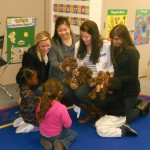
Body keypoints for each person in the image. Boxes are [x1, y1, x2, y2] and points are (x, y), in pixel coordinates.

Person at [73, 20, 114, 123]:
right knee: (75, 94)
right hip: (87, 79)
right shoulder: (79, 45)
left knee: (88, 94)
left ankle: (100, 112)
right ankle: (96, 112)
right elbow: (77, 63)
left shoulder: (106, 45)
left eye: (87, 37)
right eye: (82, 36)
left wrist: (108, 77)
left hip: (101, 78)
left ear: (94, 35)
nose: (84, 39)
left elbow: (112, 65)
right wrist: (76, 71)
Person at [110, 24, 150, 123]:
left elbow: (133, 77)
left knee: (124, 120)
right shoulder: (114, 48)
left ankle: (142, 107)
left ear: (124, 38)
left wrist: (116, 79)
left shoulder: (132, 53)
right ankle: (136, 101)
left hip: (130, 90)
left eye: (117, 39)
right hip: (118, 88)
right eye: (113, 39)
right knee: (111, 114)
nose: (114, 42)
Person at [36, 78, 78, 150]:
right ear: (59, 92)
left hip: (43, 134)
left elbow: (38, 117)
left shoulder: (40, 104)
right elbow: (68, 125)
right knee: (74, 134)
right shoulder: (61, 108)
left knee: (47, 134)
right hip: (55, 135)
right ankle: (62, 143)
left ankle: (45, 141)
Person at [49, 16, 79, 82]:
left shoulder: (78, 39)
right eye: (60, 31)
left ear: (69, 27)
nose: (63, 33)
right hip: (59, 77)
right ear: (56, 30)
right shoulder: (53, 42)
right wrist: (63, 67)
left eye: (65, 30)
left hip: (76, 76)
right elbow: (53, 62)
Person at [22, 31, 51, 96]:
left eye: (48, 45)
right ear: (37, 45)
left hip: (43, 81)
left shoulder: (50, 51)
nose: (46, 48)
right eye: (43, 46)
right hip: (34, 85)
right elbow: (25, 75)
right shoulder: (31, 55)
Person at [13, 67, 40, 133]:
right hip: (31, 118)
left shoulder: (23, 89)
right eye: (35, 78)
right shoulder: (29, 94)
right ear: (29, 81)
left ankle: (24, 120)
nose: (37, 79)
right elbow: (33, 109)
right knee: (47, 124)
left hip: (24, 113)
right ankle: (30, 126)